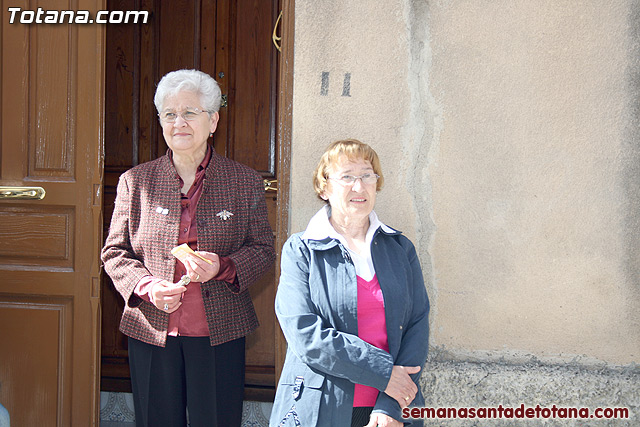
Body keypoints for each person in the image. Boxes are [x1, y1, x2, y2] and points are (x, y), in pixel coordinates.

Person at [101, 69, 275, 427]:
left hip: (220, 330)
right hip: (151, 328)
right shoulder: (135, 181)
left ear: (213, 121)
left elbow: (262, 249)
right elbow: (115, 253)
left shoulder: (244, 181)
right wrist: (147, 287)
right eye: (169, 114)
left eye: (190, 112)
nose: (178, 122)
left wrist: (223, 266)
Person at [270, 139, 429, 427]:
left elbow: (417, 325)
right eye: (347, 177)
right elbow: (305, 334)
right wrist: (383, 372)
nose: (359, 186)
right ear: (324, 187)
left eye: (367, 175)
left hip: (389, 410)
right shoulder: (301, 250)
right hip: (321, 407)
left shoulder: (400, 248)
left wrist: (392, 404)